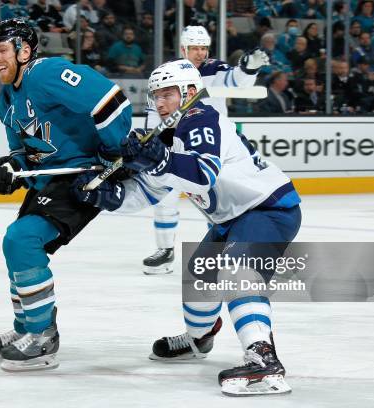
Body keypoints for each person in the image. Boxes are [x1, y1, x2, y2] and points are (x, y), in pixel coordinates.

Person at [71, 59, 301, 396]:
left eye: (167, 93)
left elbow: (202, 174)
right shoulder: (169, 134)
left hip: (268, 210)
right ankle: (198, 340)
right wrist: (107, 197)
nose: (160, 102)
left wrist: (157, 159)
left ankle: (263, 358)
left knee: (237, 273)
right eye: (155, 96)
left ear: (190, 92)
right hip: (231, 218)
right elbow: (150, 190)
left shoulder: (200, 118)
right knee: (198, 277)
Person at [0, 18, 132, 371]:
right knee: (14, 245)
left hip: (81, 176)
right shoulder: (6, 99)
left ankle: (42, 335)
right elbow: (21, 151)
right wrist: (10, 170)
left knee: (22, 238)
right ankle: (25, 329)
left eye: (2, 50)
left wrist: (114, 154)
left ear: (25, 50)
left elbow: (111, 100)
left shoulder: (44, 74)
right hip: (48, 180)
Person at [141, 25, 269, 275]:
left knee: (220, 200)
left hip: (213, 147)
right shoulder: (167, 75)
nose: (200, 53)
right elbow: (153, 112)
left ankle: (239, 248)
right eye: (194, 48)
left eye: (203, 48)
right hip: (176, 143)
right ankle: (165, 251)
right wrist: (152, 143)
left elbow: (237, 81)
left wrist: (248, 68)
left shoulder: (214, 69)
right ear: (182, 49)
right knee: (165, 196)